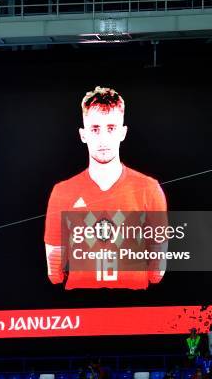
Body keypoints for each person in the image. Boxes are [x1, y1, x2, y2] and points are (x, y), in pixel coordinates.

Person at [43, 86, 168, 290]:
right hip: (79, 309)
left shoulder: (149, 189)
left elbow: (157, 272)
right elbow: (54, 272)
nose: (102, 139)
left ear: (122, 132)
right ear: (83, 135)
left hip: (136, 308)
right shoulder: (62, 192)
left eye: (110, 128)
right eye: (95, 129)